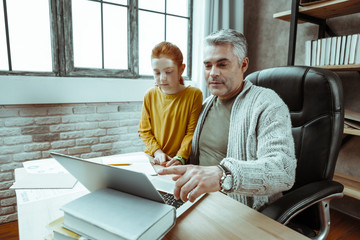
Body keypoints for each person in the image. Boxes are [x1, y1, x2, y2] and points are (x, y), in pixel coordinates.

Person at [158, 29, 296, 211]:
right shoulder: (206, 104)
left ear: (243, 64)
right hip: (197, 199)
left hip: (241, 208)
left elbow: (284, 171)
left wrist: (224, 174)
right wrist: (180, 161)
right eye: (208, 66)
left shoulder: (268, 103)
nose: (213, 73)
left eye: (222, 65)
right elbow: (201, 157)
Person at [138, 41, 203, 167]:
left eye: (168, 72)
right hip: (153, 158)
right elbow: (144, 130)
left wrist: (180, 157)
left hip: (179, 161)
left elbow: (192, 133)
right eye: (157, 72)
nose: (162, 78)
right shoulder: (150, 95)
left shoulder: (194, 95)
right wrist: (157, 152)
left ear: (181, 69)